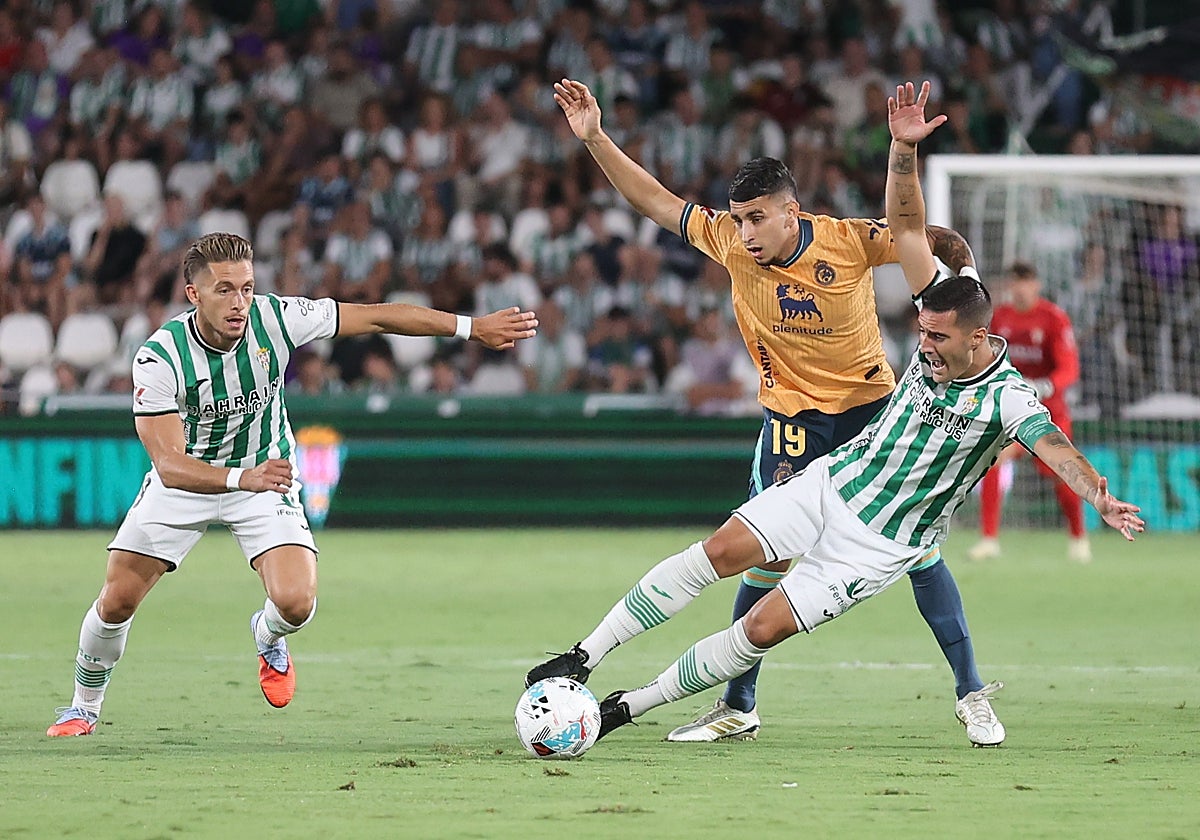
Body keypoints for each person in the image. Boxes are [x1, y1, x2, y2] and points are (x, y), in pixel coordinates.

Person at [526, 81, 1143, 748]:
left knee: (921, 555)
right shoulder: (731, 243)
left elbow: (916, 234)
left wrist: (949, 256)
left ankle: (970, 691)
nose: (745, 232)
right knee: (754, 562)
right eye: (738, 219)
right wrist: (594, 138)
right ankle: (737, 704)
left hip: (874, 415)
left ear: (791, 212)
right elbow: (653, 200)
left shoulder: (847, 243)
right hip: (792, 420)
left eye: (757, 218)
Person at [46, 231, 537, 736]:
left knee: (297, 604)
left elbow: (378, 315)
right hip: (190, 485)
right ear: (193, 294)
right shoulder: (159, 357)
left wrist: (470, 327)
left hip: (265, 477)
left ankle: (268, 633)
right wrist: (242, 477)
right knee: (117, 600)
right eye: (224, 290)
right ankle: (84, 706)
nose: (239, 303)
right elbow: (169, 465)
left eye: (247, 288)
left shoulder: (278, 318)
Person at [969, 262, 1088, 563]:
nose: (1019, 288)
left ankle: (1078, 537)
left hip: (1050, 412)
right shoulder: (1002, 319)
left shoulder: (1053, 319)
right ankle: (989, 539)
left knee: (1063, 473)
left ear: (1036, 285)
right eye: (1015, 282)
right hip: (1014, 410)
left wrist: (1046, 386)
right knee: (993, 459)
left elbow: (1070, 368)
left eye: (1025, 282)